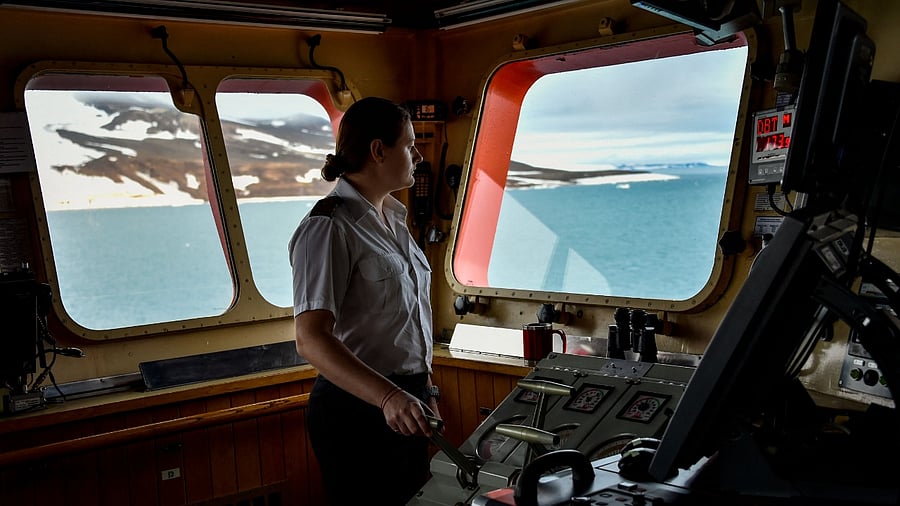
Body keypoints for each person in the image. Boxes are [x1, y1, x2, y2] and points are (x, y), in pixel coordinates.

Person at [288, 96, 441, 506]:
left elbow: (408, 325)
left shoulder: (392, 218)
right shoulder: (327, 227)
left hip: (407, 401)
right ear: (378, 151)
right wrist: (389, 397)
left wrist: (427, 393)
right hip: (354, 409)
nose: (418, 155)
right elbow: (311, 339)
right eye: (409, 145)